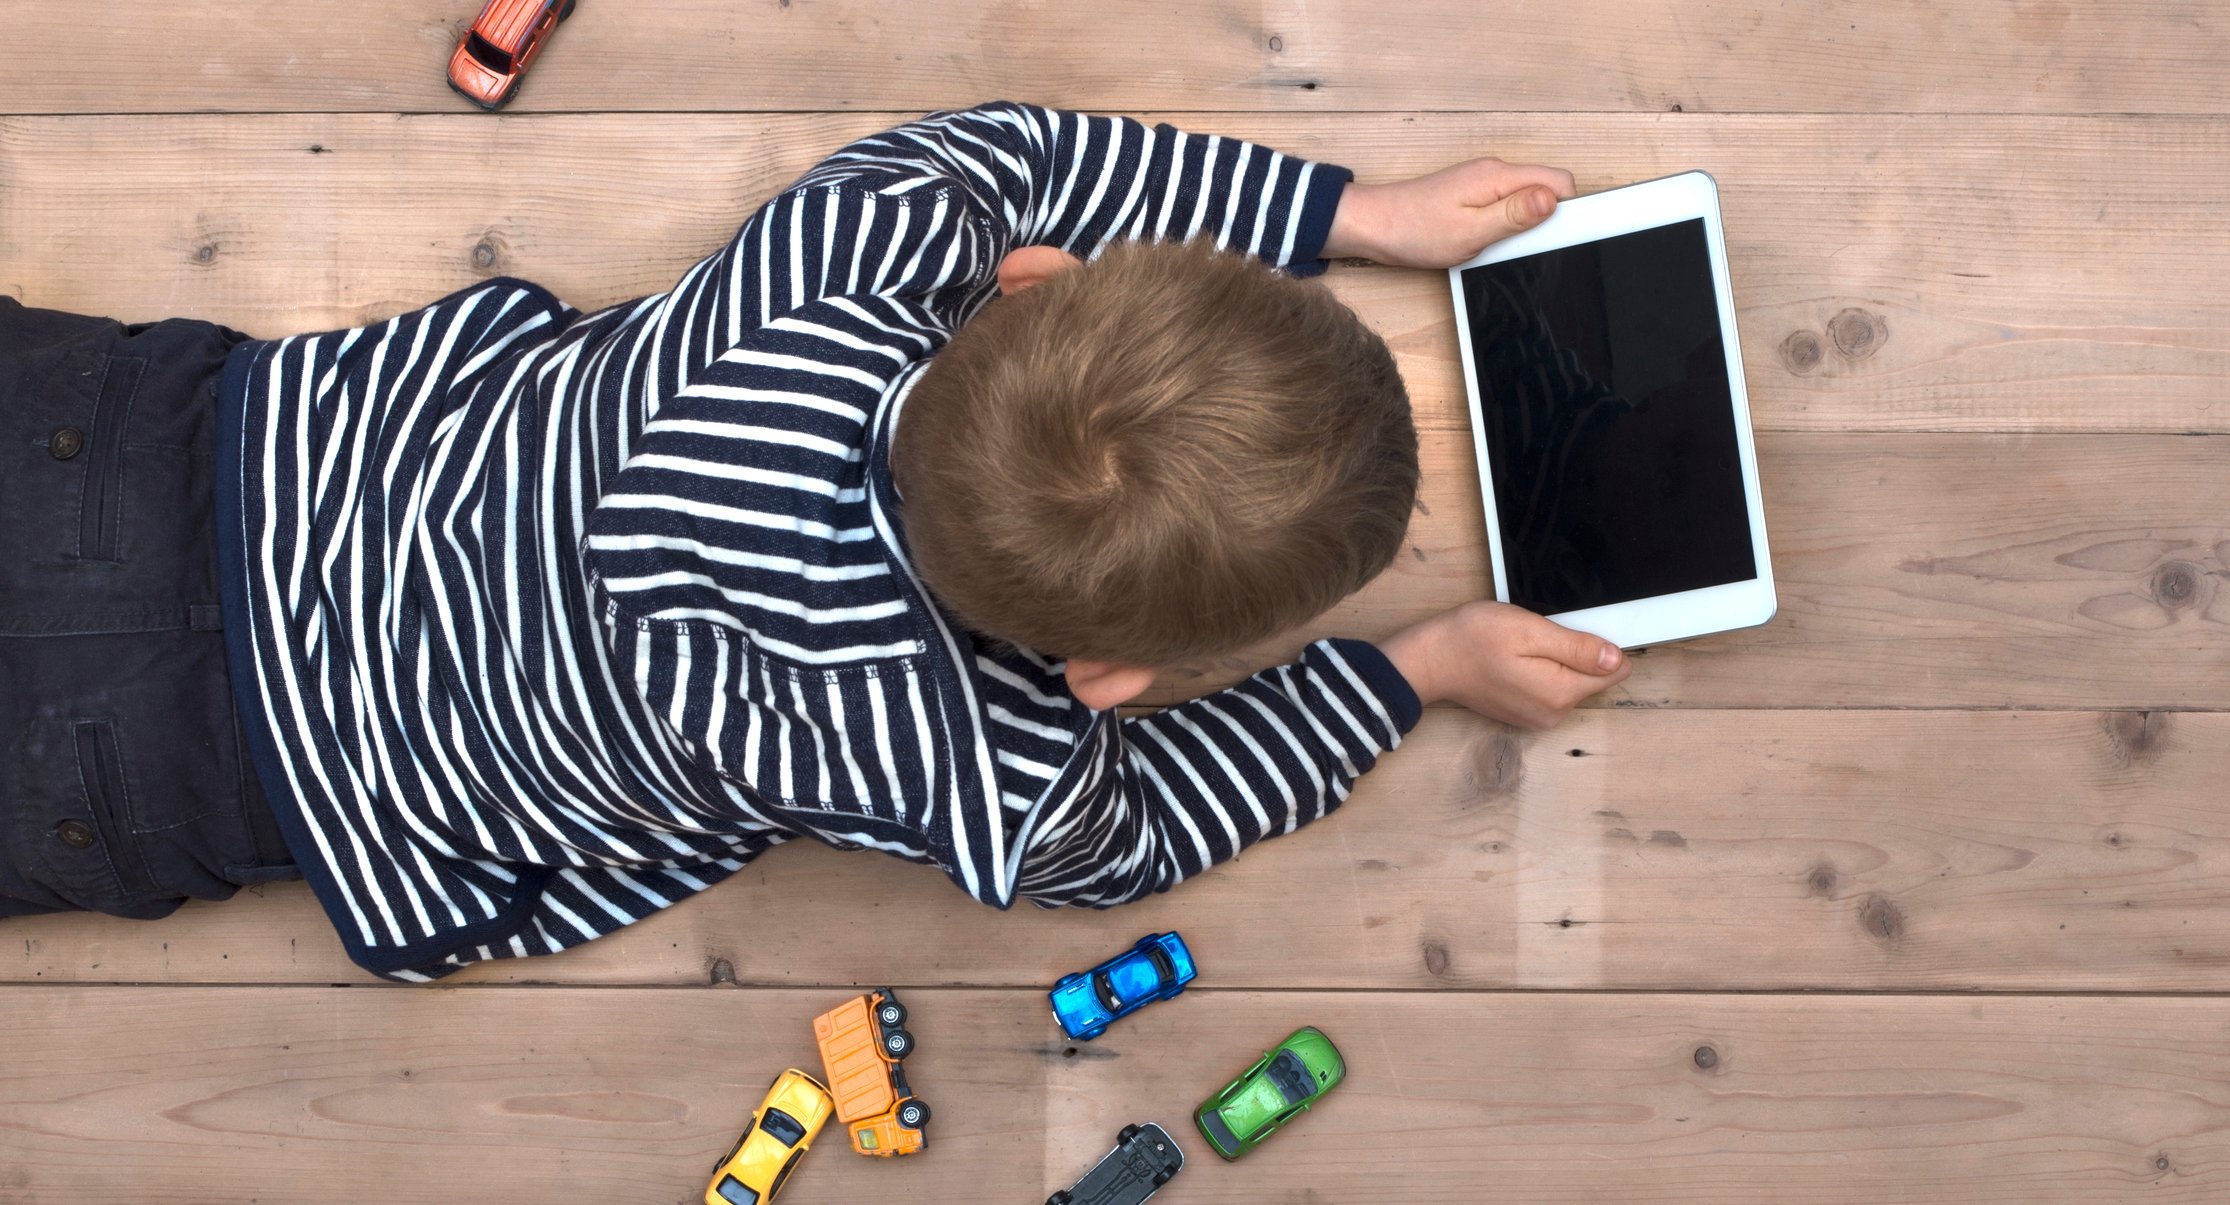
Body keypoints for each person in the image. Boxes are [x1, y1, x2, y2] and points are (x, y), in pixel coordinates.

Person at [0, 103, 1630, 981]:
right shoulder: (979, 757)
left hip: (178, 459)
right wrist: (1411, 670)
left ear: (1033, 283)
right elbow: (1137, 833)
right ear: (1109, 669)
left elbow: (1024, 157)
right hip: (222, 772)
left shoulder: (845, 252)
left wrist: (1348, 211)